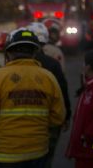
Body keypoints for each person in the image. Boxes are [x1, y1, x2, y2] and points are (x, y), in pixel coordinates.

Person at [0, 29, 66, 168]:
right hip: (38, 153)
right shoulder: (48, 78)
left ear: (9, 53)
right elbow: (58, 118)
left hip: (4, 155)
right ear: (35, 53)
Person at [26, 22, 71, 168]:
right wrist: (66, 115)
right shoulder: (53, 63)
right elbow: (62, 89)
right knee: (46, 159)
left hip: (25, 119)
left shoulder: (18, 62)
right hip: (50, 120)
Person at [66, 49, 93, 168]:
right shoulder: (90, 84)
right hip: (85, 151)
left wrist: (86, 136)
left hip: (89, 151)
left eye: (84, 63)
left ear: (89, 67)